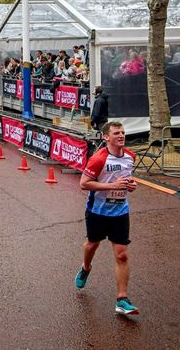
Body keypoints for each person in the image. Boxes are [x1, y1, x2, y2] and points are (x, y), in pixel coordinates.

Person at [75, 121, 139, 315]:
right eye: (116, 133)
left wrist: (130, 185)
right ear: (106, 137)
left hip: (120, 212)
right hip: (98, 211)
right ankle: (86, 268)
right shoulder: (98, 159)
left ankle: (122, 299)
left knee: (122, 254)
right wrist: (113, 186)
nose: (121, 135)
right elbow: (84, 184)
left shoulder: (130, 157)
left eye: (123, 132)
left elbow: (124, 179)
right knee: (92, 245)